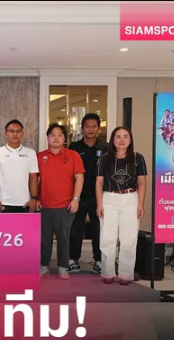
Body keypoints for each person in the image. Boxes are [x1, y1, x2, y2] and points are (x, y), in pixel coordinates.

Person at [96, 126, 147, 285]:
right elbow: (99, 182)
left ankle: (126, 274)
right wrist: (99, 204)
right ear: (112, 140)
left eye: (125, 136)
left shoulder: (138, 158)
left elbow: (142, 182)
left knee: (129, 238)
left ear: (130, 140)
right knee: (107, 237)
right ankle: (108, 272)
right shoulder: (104, 159)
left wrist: (140, 204)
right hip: (109, 199)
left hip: (130, 199)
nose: (122, 140)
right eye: (118, 136)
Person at [37, 124, 84, 280]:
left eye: (59, 135)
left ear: (65, 138)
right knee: (44, 238)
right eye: (52, 135)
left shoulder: (73, 155)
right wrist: (35, 198)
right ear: (48, 138)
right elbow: (34, 180)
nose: (56, 138)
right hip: (44, 205)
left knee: (64, 238)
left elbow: (79, 178)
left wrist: (76, 199)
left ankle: (63, 266)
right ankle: (44, 265)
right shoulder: (39, 156)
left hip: (65, 205)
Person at [68, 113, 108, 274]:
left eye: (94, 126)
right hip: (77, 196)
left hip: (99, 197)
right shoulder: (74, 148)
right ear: (82, 128)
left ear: (98, 128)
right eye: (87, 126)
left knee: (98, 229)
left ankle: (99, 260)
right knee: (75, 229)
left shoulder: (106, 148)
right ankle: (73, 259)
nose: (90, 129)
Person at [0, 119, 38, 213]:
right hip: (3, 201)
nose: (15, 134)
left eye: (18, 131)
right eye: (11, 131)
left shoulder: (30, 153)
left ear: (23, 133)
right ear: (6, 133)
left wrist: (33, 198)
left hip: (25, 202)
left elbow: (33, 177)